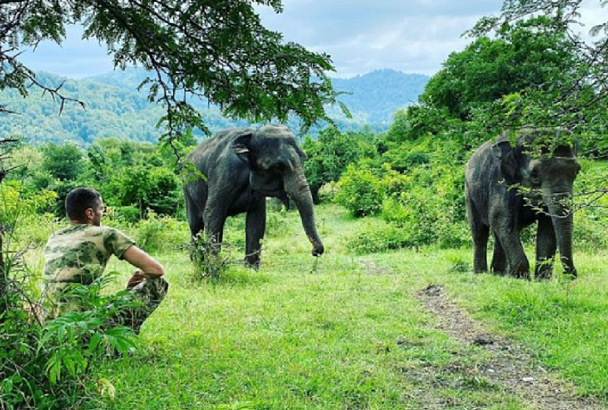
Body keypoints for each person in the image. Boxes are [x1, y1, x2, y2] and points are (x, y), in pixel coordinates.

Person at [41, 187, 168, 333]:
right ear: (90, 213)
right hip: (81, 328)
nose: (102, 214)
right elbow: (156, 270)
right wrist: (139, 276)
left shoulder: (55, 237)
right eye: (101, 209)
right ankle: (116, 345)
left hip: (49, 327)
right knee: (158, 284)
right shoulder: (106, 234)